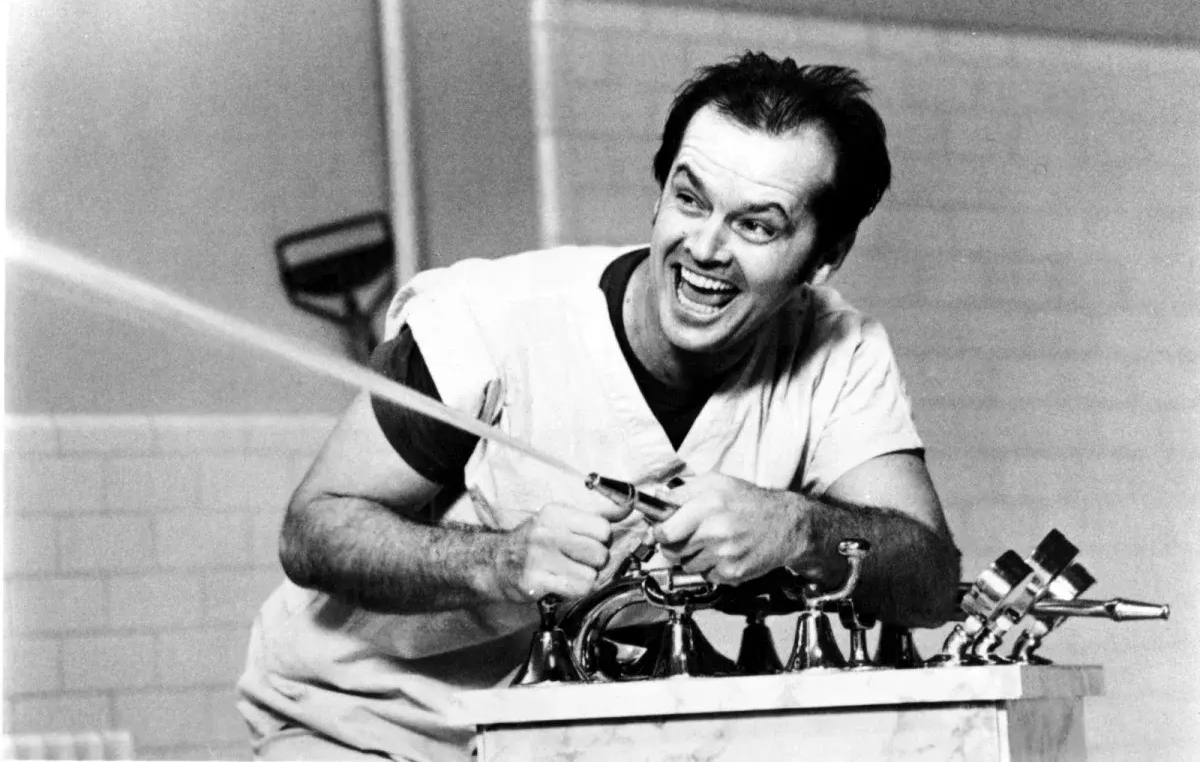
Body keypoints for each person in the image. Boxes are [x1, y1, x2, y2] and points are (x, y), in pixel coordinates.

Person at [236, 51, 962, 761]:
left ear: (826, 255)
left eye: (757, 225)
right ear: (659, 196)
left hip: (553, 737)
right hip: (356, 723)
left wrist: (798, 527)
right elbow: (313, 527)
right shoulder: (487, 321)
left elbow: (928, 580)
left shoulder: (838, 353)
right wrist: (500, 561)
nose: (705, 248)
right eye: (690, 199)